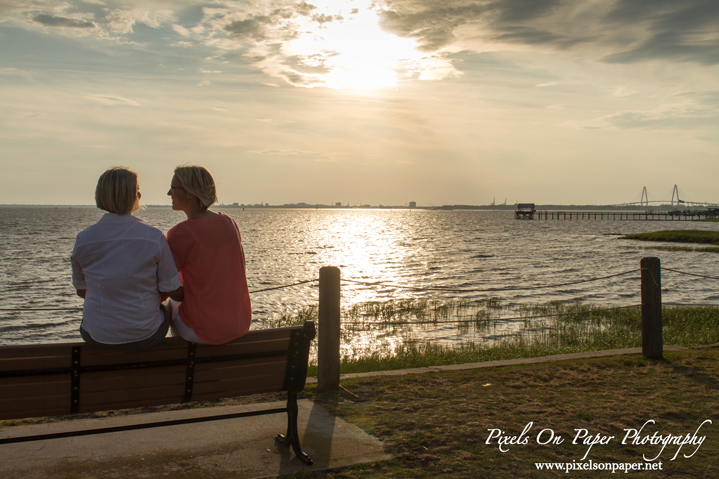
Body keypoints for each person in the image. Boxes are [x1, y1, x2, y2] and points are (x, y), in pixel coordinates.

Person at [71, 167, 183, 349]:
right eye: (137, 188)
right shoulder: (153, 237)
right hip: (146, 334)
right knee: (166, 307)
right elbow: (171, 288)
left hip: (97, 335)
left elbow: (81, 290)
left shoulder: (84, 239)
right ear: (134, 195)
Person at [166, 165, 252, 344]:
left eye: (173, 188)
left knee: (166, 305)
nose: (169, 193)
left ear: (190, 193)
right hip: (239, 324)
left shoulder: (181, 233)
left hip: (202, 330)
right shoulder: (229, 223)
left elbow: (171, 289)